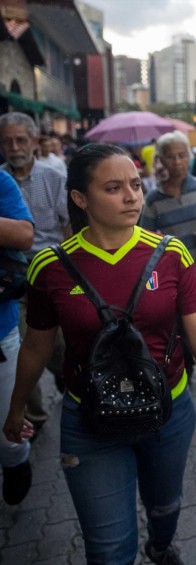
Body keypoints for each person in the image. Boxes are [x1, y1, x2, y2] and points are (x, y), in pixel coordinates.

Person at [3, 143, 196, 564]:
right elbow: (37, 346)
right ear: (80, 198)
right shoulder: (49, 267)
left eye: (134, 184)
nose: (132, 196)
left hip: (168, 412)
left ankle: (161, 545)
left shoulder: (170, 255)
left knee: (165, 507)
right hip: (88, 419)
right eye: (114, 188)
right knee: (109, 550)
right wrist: (16, 409)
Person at [0, 111, 70, 439]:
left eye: (20, 140)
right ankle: (35, 417)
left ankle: (70, 386)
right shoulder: (1, 181)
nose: (14, 147)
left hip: (51, 277)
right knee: (21, 355)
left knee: (57, 348)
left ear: (34, 142)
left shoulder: (54, 177)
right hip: (12, 284)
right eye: (7, 141)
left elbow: (69, 228)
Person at [140, 131, 196, 297]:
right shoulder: (152, 200)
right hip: (175, 274)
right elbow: (145, 239)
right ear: (161, 159)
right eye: (170, 156)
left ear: (189, 156)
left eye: (182, 155)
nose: (177, 161)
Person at [0, 168, 34, 505]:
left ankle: (16, 461)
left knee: (7, 428)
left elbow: (25, 234)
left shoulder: (1, 181)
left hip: (1, 333)